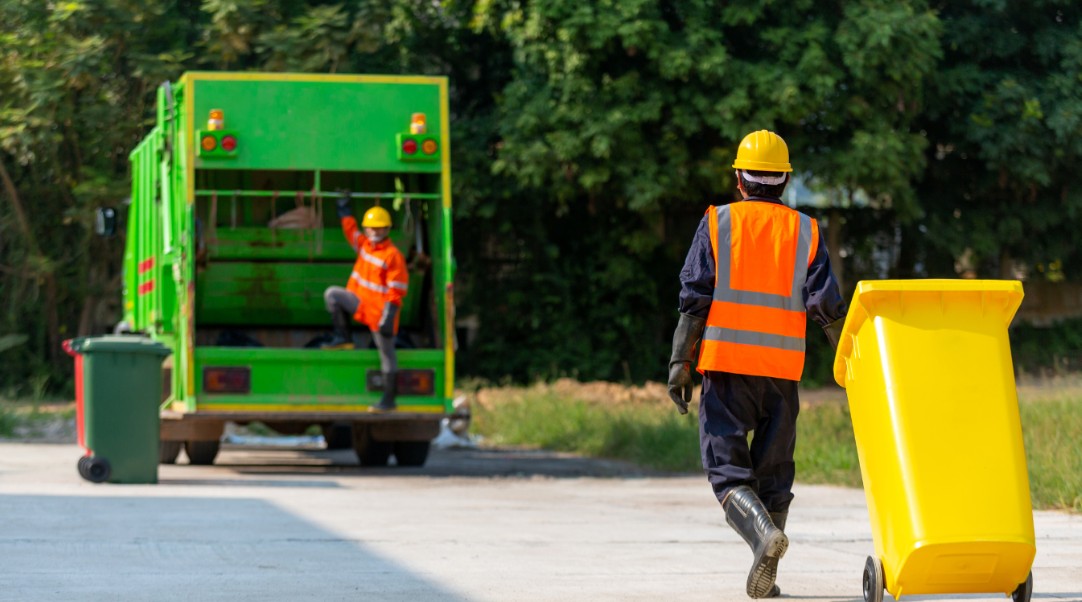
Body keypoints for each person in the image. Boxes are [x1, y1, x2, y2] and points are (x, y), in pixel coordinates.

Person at [667, 130, 847, 599]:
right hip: (782, 374)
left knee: (727, 470)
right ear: (784, 180)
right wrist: (852, 362)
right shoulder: (806, 230)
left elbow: (694, 298)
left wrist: (680, 362)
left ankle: (763, 540)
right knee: (774, 472)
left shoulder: (718, 223)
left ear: (740, 180)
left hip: (726, 368)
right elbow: (826, 305)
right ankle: (768, 573)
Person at [322, 195, 409, 412]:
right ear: (367, 229)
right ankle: (343, 338)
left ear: (388, 229)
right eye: (371, 228)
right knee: (332, 294)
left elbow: (397, 289)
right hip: (360, 303)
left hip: (380, 313)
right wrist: (344, 211)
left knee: (387, 355)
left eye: (379, 229)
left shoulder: (392, 256)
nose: (375, 232)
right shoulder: (365, 246)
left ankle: (389, 400)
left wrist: (390, 316)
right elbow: (351, 232)